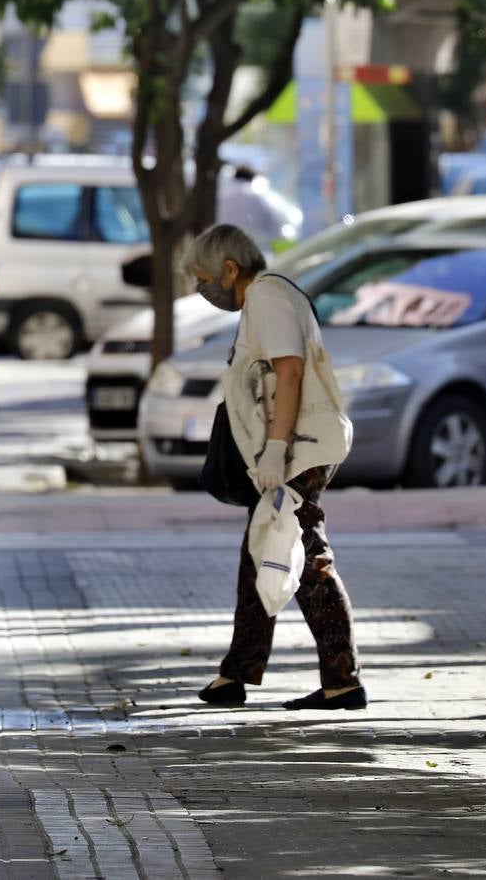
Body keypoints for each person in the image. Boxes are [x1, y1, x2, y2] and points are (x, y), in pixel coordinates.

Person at [184, 224, 367, 711]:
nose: (203, 290)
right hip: (295, 447)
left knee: (306, 559)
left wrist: (277, 446)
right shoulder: (267, 298)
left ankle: (342, 681)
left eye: (203, 279)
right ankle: (236, 674)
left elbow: (289, 370)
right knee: (262, 549)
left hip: (299, 448)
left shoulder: (266, 297)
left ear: (229, 269)